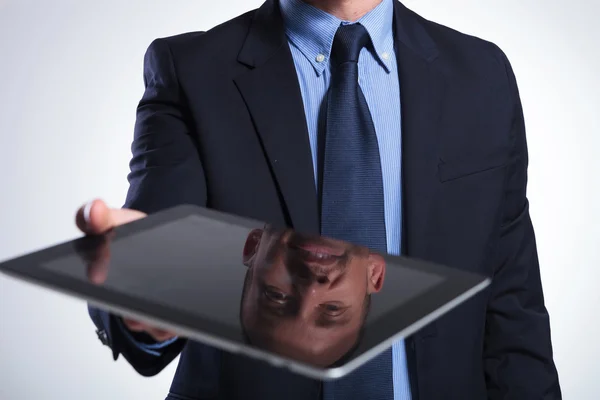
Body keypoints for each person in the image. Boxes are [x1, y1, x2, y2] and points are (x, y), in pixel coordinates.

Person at [77, 0, 561, 398]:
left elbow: (512, 311)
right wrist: (132, 294)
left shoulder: (481, 76)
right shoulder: (193, 72)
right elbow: (151, 250)